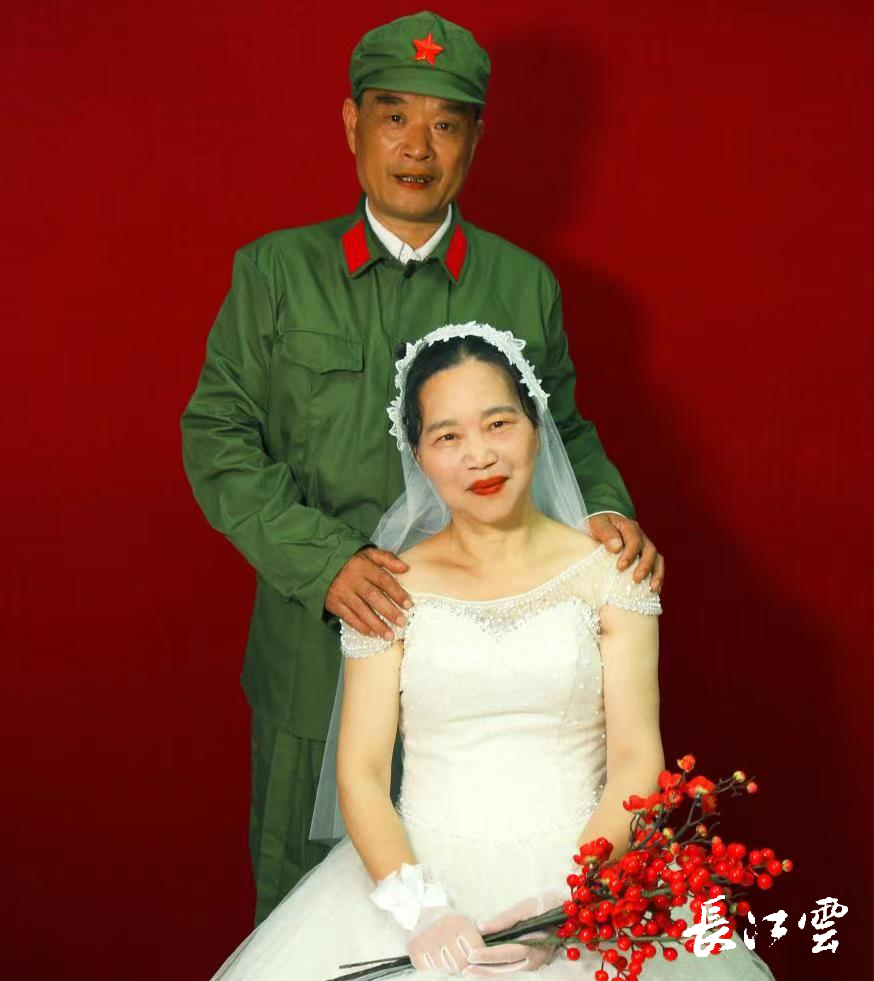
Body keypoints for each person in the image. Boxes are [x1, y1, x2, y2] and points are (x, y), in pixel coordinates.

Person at [180, 10, 664, 927]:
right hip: (320, 648)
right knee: (313, 908)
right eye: (394, 115)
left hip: (488, 665)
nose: (417, 146)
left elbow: (565, 427)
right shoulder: (276, 274)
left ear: (474, 141)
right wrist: (326, 563)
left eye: (445, 123)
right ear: (351, 122)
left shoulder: (522, 285)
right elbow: (217, 436)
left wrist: (605, 509)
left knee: (516, 917)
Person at [204, 324, 776, 981]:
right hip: (418, 871)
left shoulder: (613, 573)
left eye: (499, 423)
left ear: (537, 425)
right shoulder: (389, 587)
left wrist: (568, 903)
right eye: (447, 436)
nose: (480, 456)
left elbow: (636, 758)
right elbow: (361, 772)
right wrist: (420, 910)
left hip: (583, 862)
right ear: (418, 454)